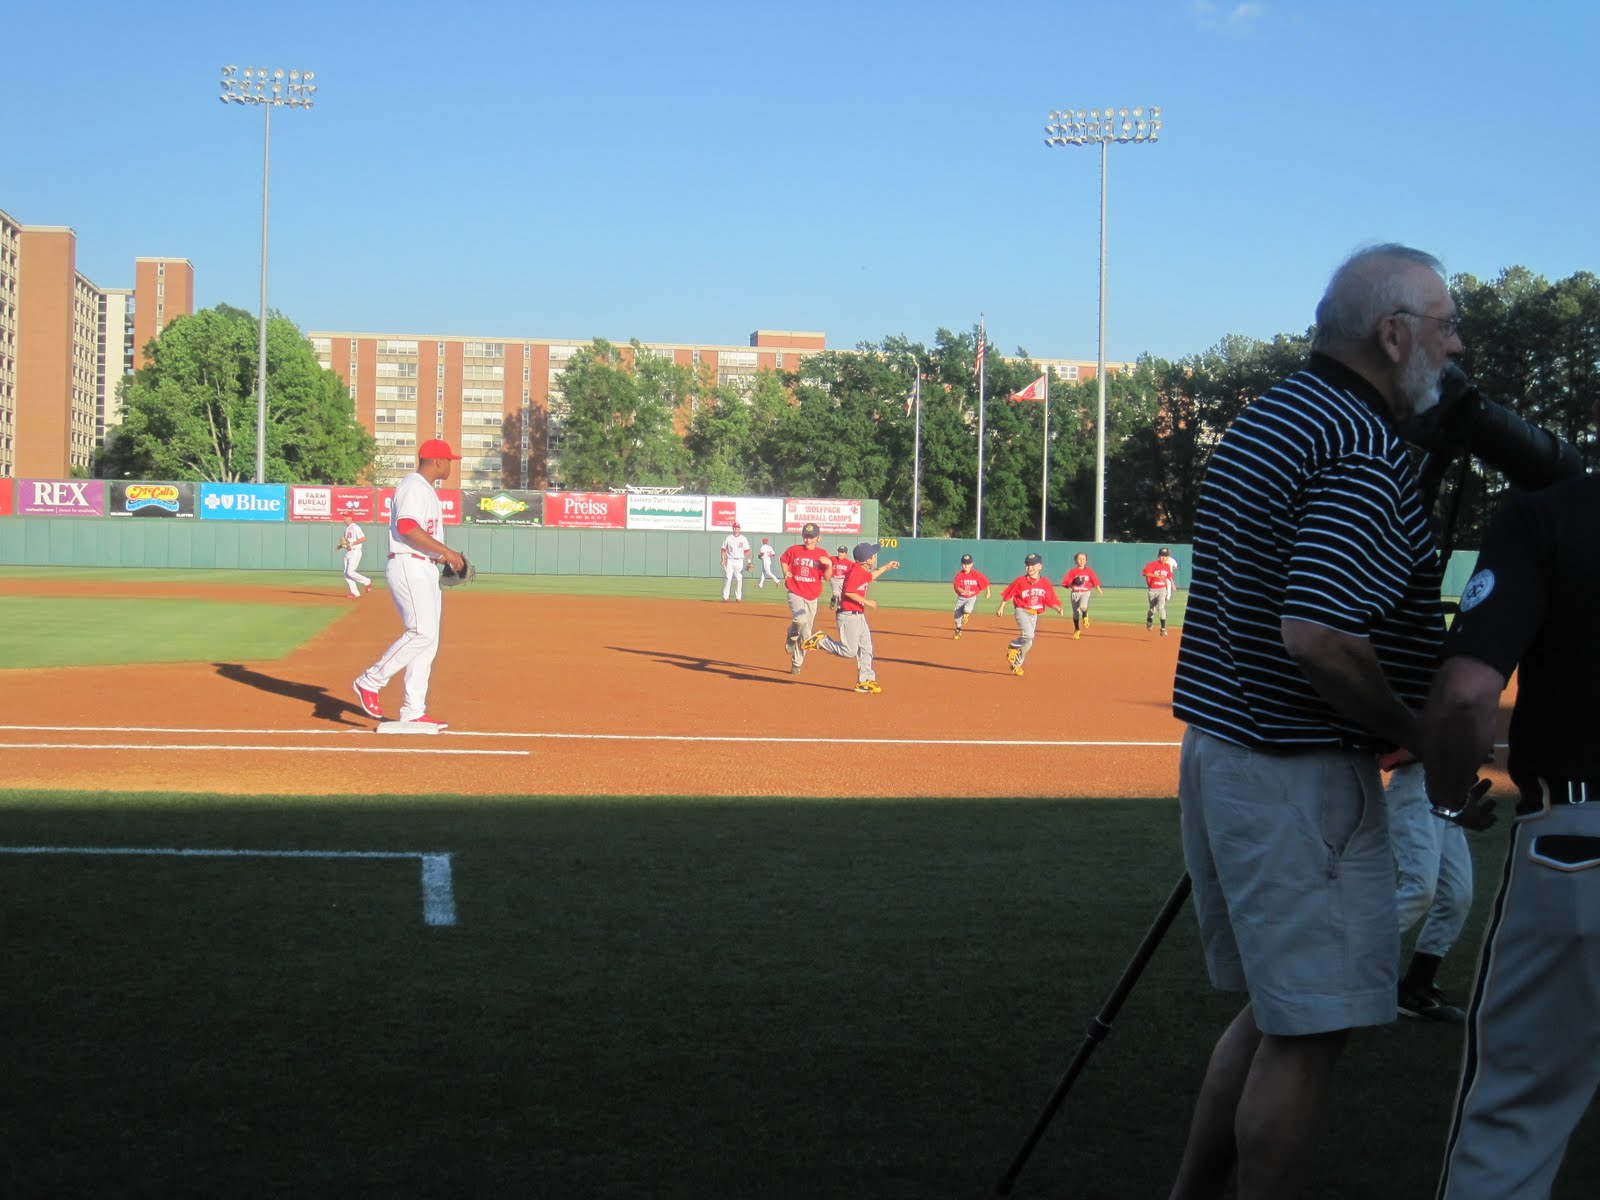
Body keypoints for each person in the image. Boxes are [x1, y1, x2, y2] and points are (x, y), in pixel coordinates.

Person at [1168, 244, 1456, 1200]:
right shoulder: (1361, 443)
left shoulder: (1271, 416)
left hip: (1225, 747)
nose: (1454, 351)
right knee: (1308, 1035)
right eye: (1447, 328)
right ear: (1395, 332)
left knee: (1277, 1014)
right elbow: (1321, 633)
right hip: (1293, 769)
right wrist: (1404, 721)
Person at [1422, 423, 1600, 1198]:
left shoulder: (1548, 516)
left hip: (1579, 840)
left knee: (1514, 1117)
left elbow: (1465, 697)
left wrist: (1449, 792)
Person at [352, 439, 468, 728]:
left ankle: (413, 710)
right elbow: (407, 528)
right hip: (408, 565)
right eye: (450, 460)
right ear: (438, 462)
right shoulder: (414, 486)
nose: (452, 465)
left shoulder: (424, 489)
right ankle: (370, 680)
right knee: (421, 633)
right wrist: (447, 552)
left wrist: (442, 559)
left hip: (423, 566)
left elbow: (417, 534)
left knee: (428, 642)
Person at [1384, 757, 1472, 1022]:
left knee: (1458, 896)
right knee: (1420, 888)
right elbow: (1390, 755)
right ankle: (1337, 965)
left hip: (1451, 790)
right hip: (1415, 786)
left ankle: (1417, 985)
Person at [802, 541, 899, 693]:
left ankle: (865, 680)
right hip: (848, 616)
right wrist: (867, 601)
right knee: (849, 651)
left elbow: (869, 576)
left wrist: (886, 567)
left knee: (866, 647)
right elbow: (848, 591)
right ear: (867, 559)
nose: (875, 557)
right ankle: (821, 641)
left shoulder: (860, 570)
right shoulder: (856, 572)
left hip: (858, 616)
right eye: (873, 555)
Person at [996, 553, 1063, 677]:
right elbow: (1008, 594)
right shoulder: (1020, 581)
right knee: (1028, 635)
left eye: (1032, 565)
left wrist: (1057, 608)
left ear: (1040, 566)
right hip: (1021, 610)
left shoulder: (1045, 583)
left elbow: (1049, 599)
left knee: (1028, 643)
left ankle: (1016, 665)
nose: (1029, 567)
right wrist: (1001, 607)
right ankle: (1013, 646)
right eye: (1027, 565)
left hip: (1034, 614)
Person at [780, 522, 833, 676]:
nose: (808, 540)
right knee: (800, 619)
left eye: (811, 537)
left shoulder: (822, 554)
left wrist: (829, 565)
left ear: (818, 538)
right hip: (795, 591)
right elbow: (784, 560)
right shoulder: (794, 550)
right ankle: (791, 635)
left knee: (806, 635)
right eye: (805, 536)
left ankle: (797, 663)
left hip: (812, 597)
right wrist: (785, 571)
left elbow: (827, 577)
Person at [1061, 551, 1103, 640]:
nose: (1081, 561)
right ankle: (1077, 630)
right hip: (1075, 593)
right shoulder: (1072, 571)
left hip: (1085, 592)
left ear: (1086, 560)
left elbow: (1094, 579)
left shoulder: (1088, 571)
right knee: (1076, 613)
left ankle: (1085, 616)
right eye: (1079, 559)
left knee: (1083, 606)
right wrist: (1072, 583)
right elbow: (1065, 583)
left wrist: (1098, 588)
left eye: (1083, 559)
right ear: (1076, 561)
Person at [951, 554, 991, 639]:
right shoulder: (959, 575)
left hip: (971, 597)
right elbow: (956, 587)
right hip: (961, 598)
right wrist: (964, 591)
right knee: (956, 616)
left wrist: (988, 592)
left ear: (971, 564)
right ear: (961, 564)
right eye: (964, 563)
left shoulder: (976, 574)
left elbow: (986, 582)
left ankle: (966, 613)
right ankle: (958, 629)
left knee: (967, 609)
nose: (966, 565)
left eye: (968, 564)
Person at [1142, 549, 1177, 636]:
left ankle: (1163, 628)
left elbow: (1169, 576)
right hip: (1153, 590)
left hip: (1162, 589)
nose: (1163, 558)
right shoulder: (1152, 564)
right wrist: (1157, 576)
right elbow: (1145, 573)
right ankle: (1149, 618)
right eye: (1161, 555)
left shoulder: (1167, 566)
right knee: (1152, 609)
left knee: (1161, 607)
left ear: (1168, 557)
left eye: (1165, 556)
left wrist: (1173, 584)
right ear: (1158, 556)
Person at [339, 516, 371, 598]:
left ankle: (366, 581)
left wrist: (352, 544)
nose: (344, 518)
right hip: (348, 552)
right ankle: (355, 593)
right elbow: (346, 543)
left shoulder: (355, 527)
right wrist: (340, 546)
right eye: (344, 516)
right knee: (346, 574)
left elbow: (363, 538)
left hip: (355, 551)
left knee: (350, 572)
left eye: (346, 516)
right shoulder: (346, 529)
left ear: (351, 518)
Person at [720, 522, 752, 602]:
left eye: (737, 527)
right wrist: (723, 559)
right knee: (728, 578)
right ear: (732, 528)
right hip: (730, 560)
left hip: (739, 560)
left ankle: (738, 597)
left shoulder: (743, 538)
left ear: (739, 529)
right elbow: (723, 549)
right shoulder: (728, 538)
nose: (735, 529)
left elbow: (747, 550)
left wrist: (749, 561)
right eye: (734, 527)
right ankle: (725, 597)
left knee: (739, 579)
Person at [829, 545, 851, 613]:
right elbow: (826, 561)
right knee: (836, 594)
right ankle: (833, 599)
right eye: (839, 552)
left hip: (842, 580)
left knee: (841, 595)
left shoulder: (848, 562)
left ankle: (839, 608)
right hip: (834, 578)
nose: (840, 553)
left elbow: (853, 569)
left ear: (845, 554)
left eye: (842, 552)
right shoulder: (832, 559)